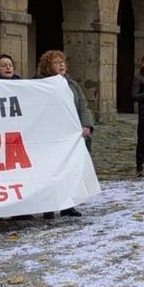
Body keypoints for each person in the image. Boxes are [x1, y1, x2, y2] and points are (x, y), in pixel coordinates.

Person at [37, 50, 94, 218]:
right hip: (50, 135)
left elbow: (83, 105)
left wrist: (87, 125)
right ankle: (49, 206)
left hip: (71, 135)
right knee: (50, 171)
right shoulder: (40, 84)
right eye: (56, 62)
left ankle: (68, 204)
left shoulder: (72, 84)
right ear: (48, 66)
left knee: (71, 170)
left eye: (62, 61)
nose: (61, 64)